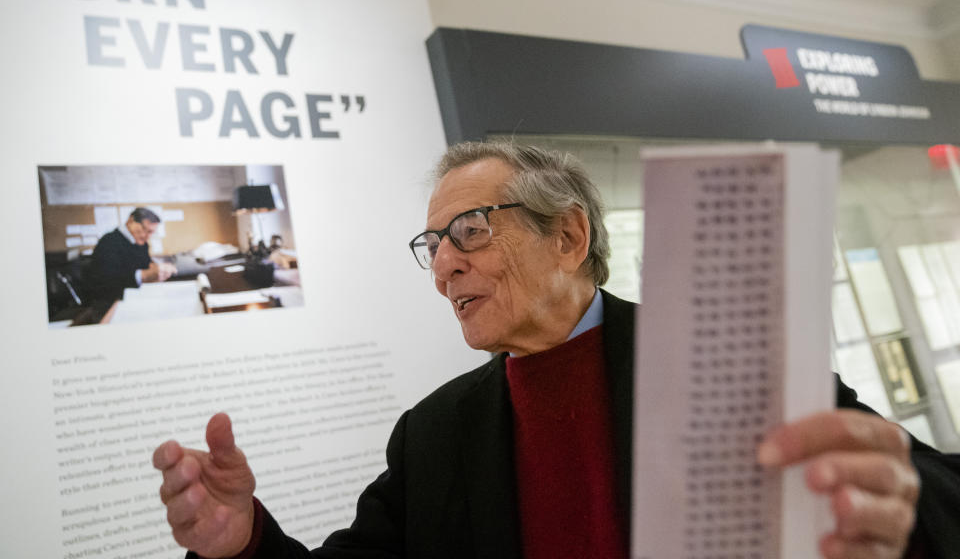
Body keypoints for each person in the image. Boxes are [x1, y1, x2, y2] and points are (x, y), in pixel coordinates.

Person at [153, 142, 960, 559]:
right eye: (432, 245)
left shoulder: (731, 366)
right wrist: (245, 543)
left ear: (568, 235)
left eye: (469, 231)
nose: (443, 264)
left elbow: (922, 489)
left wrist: (900, 513)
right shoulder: (433, 434)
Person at [88, 207, 177, 301]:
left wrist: (156, 269)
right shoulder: (108, 242)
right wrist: (144, 275)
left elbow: (145, 264)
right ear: (131, 221)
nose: (148, 236)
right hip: (113, 301)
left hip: (137, 296)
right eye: (146, 230)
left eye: (152, 233)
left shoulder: (142, 243)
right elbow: (106, 280)